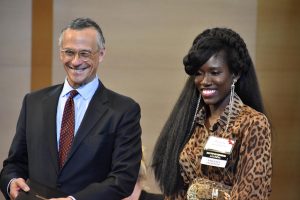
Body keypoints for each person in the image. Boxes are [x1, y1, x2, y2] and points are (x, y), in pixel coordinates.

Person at [0, 17, 142, 200]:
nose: (75, 62)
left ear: (101, 54)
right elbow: (14, 164)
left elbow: (123, 179)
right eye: (69, 52)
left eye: (84, 54)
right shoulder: (33, 102)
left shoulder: (123, 110)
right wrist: (11, 182)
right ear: (60, 54)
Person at [152, 27, 272, 200]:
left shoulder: (253, 123)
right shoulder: (192, 121)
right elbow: (175, 187)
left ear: (235, 74)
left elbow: (252, 193)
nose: (205, 81)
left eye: (215, 73)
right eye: (199, 74)